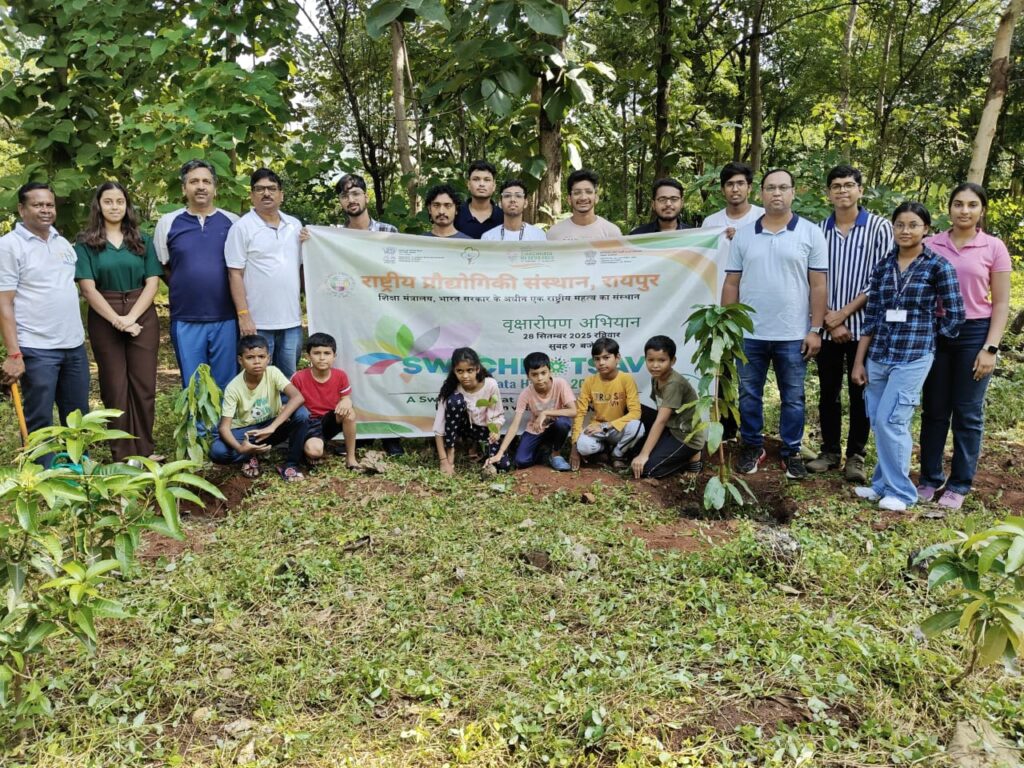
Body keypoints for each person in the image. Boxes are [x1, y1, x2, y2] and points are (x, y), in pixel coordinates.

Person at [851, 202, 964, 511]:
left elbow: (955, 313)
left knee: (893, 420)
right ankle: (881, 485)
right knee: (878, 419)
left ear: (925, 229)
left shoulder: (937, 266)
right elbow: (871, 317)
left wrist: (930, 335)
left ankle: (901, 494)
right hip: (879, 354)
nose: (905, 230)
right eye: (900, 224)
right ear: (893, 227)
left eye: (913, 225)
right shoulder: (884, 266)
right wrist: (859, 361)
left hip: (913, 356)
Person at [722, 168, 828, 480]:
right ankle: (752, 446)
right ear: (761, 193)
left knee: (793, 396)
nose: (777, 193)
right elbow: (731, 284)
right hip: (749, 333)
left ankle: (791, 450)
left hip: (793, 334)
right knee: (748, 394)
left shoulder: (810, 233)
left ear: (794, 192)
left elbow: (819, 285)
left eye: (783, 187)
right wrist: (729, 325)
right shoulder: (743, 235)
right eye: (770, 188)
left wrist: (815, 329)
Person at [917, 183, 1012, 509]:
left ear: (981, 210)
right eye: (958, 204)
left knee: (968, 413)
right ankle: (929, 478)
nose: (965, 210)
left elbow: (1001, 304)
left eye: (972, 205)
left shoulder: (994, 247)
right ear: (949, 208)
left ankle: (959, 484)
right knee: (934, 411)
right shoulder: (931, 244)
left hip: (975, 334)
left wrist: (991, 348)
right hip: (937, 332)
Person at [807, 165, 893, 482]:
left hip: (864, 328)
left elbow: (881, 278)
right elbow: (810, 278)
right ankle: (829, 451)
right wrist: (830, 318)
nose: (842, 191)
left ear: (860, 189)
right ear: (828, 193)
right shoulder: (817, 230)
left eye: (848, 185)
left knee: (861, 393)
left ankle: (855, 455)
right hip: (828, 328)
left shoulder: (880, 228)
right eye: (836, 186)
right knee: (828, 392)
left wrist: (843, 314)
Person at [0, 183, 90, 462]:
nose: (45, 210)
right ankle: (43, 477)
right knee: (40, 418)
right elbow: (3, 302)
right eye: (38, 205)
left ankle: (78, 472)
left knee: (78, 416)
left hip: (73, 346)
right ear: (22, 209)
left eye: (49, 205)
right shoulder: (9, 246)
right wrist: (14, 354)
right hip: (37, 347)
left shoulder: (61, 242)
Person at [74, 182, 163, 461]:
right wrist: (118, 321)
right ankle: (123, 454)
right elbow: (88, 288)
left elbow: (152, 283)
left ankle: (145, 451)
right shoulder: (86, 243)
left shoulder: (142, 240)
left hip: (141, 314)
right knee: (114, 386)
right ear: (98, 206)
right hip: (105, 314)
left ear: (127, 205)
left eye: (120, 201)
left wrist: (132, 318)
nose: (115, 207)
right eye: (108, 201)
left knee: (144, 385)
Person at [154, 160, 239, 391]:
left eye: (206, 181)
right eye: (194, 182)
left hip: (226, 317)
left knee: (227, 383)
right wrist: (187, 285)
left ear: (214, 188)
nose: (200, 186)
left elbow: (241, 269)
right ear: (184, 188)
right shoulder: (168, 222)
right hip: (185, 317)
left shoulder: (233, 222)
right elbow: (163, 265)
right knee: (193, 385)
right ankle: (197, 429)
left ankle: (224, 428)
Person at [225, 168, 304, 379]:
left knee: (288, 379)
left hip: (292, 321)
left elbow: (306, 268)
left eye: (272, 188)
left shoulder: (295, 226)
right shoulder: (241, 228)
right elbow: (234, 274)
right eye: (259, 189)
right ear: (251, 195)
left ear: (281, 194)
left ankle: (287, 413)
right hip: (258, 323)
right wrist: (244, 316)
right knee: (257, 379)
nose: (266, 193)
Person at [210, 334, 308, 482]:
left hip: (269, 427)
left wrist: (273, 427)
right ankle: (249, 455)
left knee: (302, 414)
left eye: (261, 357)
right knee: (218, 452)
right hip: (246, 432)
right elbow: (224, 428)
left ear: (268, 358)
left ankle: (291, 465)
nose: (257, 362)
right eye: (250, 358)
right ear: (240, 360)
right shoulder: (233, 387)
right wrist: (240, 448)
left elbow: (298, 397)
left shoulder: (273, 372)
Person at [629, 335, 705, 479]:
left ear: (672, 361)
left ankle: (695, 454)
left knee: (648, 471)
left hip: (685, 435)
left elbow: (661, 420)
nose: (655, 365)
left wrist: (644, 455)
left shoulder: (674, 384)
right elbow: (660, 412)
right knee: (633, 452)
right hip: (671, 426)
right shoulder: (656, 378)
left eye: (661, 360)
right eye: (650, 360)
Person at [485, 351, 576, 471]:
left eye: (543, 373)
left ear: (550, 371)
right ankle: (543, 451)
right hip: (536, 429)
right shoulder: (525, 394)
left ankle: (555, 454)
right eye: (534, 374)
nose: (540, 378)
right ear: (528, 376)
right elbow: (515, 425)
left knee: (563, 423)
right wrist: (500, 453)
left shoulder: (560, 384)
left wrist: (545, 413)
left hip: (555, 427)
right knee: (521, 461)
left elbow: (573, 411)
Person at [569, 337, 645, 470]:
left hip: (617, 428)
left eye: (606, 357)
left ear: (617, 358)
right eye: (597, 359)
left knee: (637, 427)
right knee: (583, 446)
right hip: (597, 428)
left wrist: (607, 427)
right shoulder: (589, 381)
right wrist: (574, 447)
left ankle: (617, 455)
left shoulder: (626, 379)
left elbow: (636, 413)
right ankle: (603, 450)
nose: (601, 363)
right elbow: (580, 413)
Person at [433, 347, 509, 475]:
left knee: (503, 466)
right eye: (460, 371)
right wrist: (444, 461)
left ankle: (476, 446)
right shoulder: (451, 388)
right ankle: (451, 450)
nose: (465, 376)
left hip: (482, 430)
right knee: (454, 401)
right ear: (454, 371)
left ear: (477, 369)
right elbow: (439, 427)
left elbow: (498, 415)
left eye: (470, 370)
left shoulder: (490, 385)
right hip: (461, 429)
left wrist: (495, 429)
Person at [290, 332, 359, 471]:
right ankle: (311, 446)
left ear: (334, 356)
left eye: (327, 353)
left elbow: (346, 398)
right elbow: (291, 405)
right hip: (309, 424)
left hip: (329, 421)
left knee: (350, 414)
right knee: (315, 452)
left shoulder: (340, 376)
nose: (322, 358)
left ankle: (351, 457)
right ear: (308, 356)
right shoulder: (298, 378)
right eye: (317, 353)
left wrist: (346, 401)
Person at [546, 169, 623, 241]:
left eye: (588, 192)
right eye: (577, 193)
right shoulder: (554, 234)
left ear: (596, 198)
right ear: (569, 199)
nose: (583, 197)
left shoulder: (612, 233)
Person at [702, 162, 765, 239]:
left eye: (740, 183)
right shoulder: (710, 223)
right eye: (730, 184)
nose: (735, 189)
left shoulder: (764, 217)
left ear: (749, 188)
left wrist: (740, 239)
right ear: (722, 190)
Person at [481, 179, 546, 241]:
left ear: (525, 203)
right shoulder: (488, 237)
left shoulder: (538, 236)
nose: (512, 200)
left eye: (518, 196)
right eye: (507, 196)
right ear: (500, 203)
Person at [455, 160, 503, 238]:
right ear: (468, 184)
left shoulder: (503, 217)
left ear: (494, 186)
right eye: (476, 179)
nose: (481, 184)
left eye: (487, 180)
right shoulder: (455, 214)